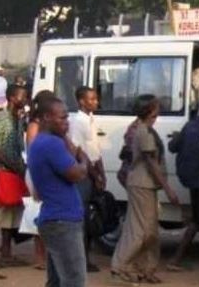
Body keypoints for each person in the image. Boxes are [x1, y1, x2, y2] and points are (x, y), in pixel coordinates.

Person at [111, 95, 180, 284]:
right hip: (142, 184)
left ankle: (144, 268)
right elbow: (151, 163)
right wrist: (168, 189)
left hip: (145, 184)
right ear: (149, 110)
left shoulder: (146, 129)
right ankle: (120, 267)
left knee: (149, 231)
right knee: (141, 230)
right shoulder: (143, 131)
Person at [28, 97, 90, 287]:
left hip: (56, 218)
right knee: (74, 280)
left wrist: (64, 137)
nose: (67, 122)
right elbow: (76, 174)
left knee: (57, 281)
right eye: (62, 118)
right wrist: (84, 161)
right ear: (46, 117)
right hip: (62, 219)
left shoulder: (43, 141)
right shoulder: (50, 144)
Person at [166, 96, 199, 271]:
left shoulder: (190, 125)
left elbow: (172, 147)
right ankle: (183, 258)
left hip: (192, 179)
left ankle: (180, 258)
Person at [0, 84, 28, 269]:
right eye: (21, 97)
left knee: (11, 215)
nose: (24, 100)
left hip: (14, 172)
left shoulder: (17, 119)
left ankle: (6, 253)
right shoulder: (0, 118)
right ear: (11, 97)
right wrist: (12, 163)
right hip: (1, 171)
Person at [68, 86, 107, 273]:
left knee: (91, 216)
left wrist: (102, 173)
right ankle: (80, 260)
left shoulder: (90, 119)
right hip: (83, 174)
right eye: (91, 99)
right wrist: (94, 174)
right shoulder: (77, 122)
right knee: (81, 218)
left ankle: (85, 257)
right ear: (81, 101)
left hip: (92, 173)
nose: (95, 102)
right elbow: (79, 152)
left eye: (96, 98)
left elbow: (95, 149)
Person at [23, 90, 56, 270]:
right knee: (38, 212)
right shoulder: (34, 126)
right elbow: (32, 155)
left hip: (47, 172)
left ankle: (46, 254)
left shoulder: (47, 125)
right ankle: (39, 256)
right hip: (37, 172)